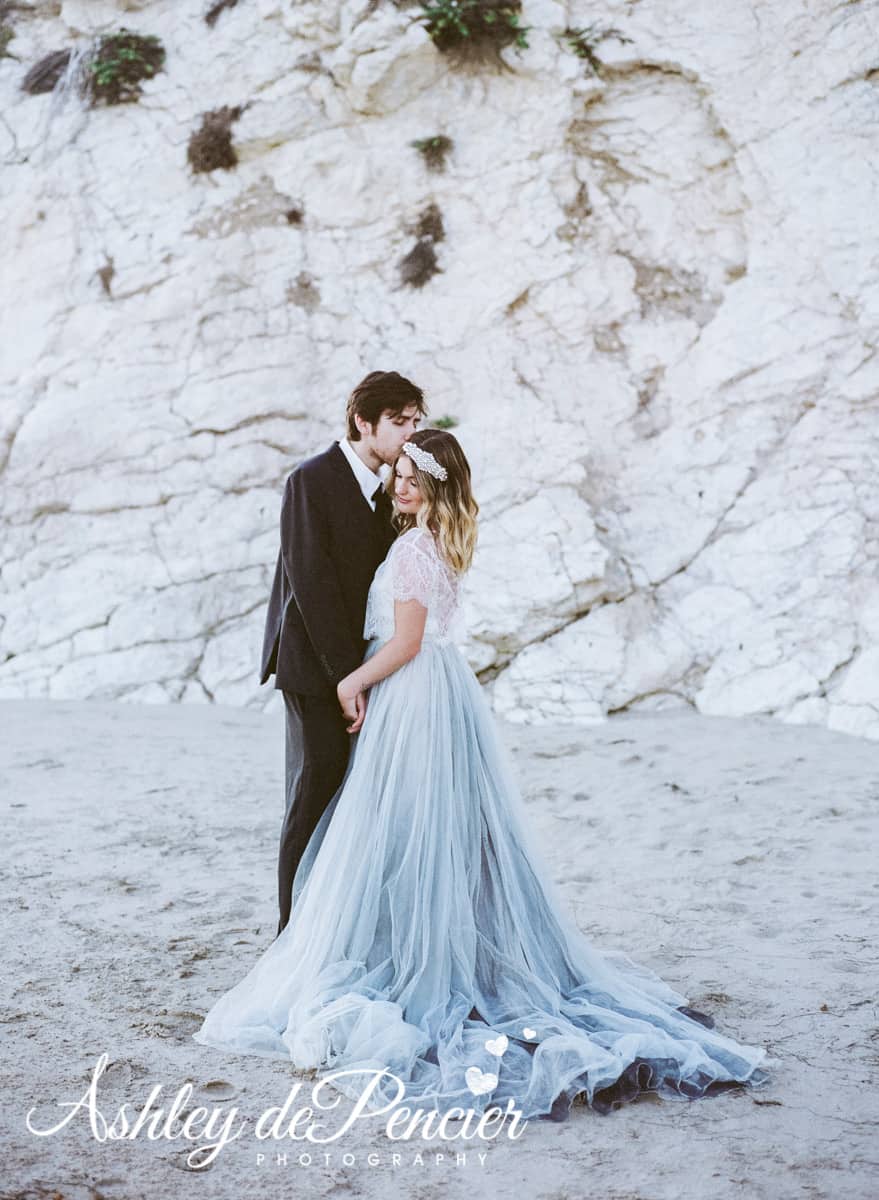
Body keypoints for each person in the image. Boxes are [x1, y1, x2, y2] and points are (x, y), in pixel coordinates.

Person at [196, 429, 774, 1121]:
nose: (400, 487)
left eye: (413, 478)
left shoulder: (412, 546)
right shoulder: (438, 538)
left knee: (399, 828)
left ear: (437, 486)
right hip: (436, 692)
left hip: (411, 692)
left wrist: (351, 679)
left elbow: (405, 641)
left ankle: (414, 953)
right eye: (399, 475)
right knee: (428, 831)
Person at [258, 370, 426, 935]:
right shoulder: (311, 480)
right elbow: (312, 586)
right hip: (313, 667)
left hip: (359, 667)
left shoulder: (392, 487)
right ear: (362, 421)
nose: (408, 433)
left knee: (351, 796)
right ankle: (290, 931)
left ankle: (334, 924)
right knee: (313, 790)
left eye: (414, 422)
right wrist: (343, 680)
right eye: (398, 422)